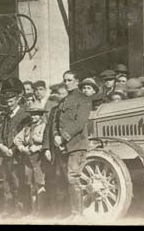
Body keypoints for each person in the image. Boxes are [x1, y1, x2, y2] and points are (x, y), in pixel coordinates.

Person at [53, 70, 92, 220]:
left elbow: (80, 123)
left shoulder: (83, 99)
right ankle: (72, 212)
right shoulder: (64, 101)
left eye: (69, 80)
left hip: (77, 145)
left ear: (77, 81)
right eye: (65, 80)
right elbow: (57, 122)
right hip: (64, 146)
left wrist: (62, 137)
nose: (66, 83)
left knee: (73, 178)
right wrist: (56, 135)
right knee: (67, 180)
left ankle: (78, 214)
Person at [0, 89, 29, 216]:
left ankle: (19, 210)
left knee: (17, 182)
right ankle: (8, 209)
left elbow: (24, 135)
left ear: (17, 100)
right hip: (5, 154)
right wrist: (1, 146)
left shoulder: (24, 115)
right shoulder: (6, 115)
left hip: (17, 155)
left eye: (11, 101)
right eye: (7, 102)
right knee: (6, 183)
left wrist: (13, 149)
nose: (9, 104)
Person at [14, 103, 49, 215]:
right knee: (31, 186)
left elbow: (47, 142)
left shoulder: (45, 127)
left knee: (40, 185)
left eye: (36, 114)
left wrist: (38, 148)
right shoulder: (27, 127)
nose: (33, 117)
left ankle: (41, 212)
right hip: (28, 160)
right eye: (32, 114)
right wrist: (22, 148)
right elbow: (17, 139)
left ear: (41, 115)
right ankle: (34, 211)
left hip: (40, 160)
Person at [43, 83, 68, 215]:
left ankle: (68, 211)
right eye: (60, 94)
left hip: (68, 150)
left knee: (67, 179)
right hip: (54, 151)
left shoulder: (73, 109)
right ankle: (57, 211)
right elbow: (47, 130)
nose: (61, 97)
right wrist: (46, 148)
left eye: (64, 94)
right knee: (56, 180)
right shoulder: (54, 110)